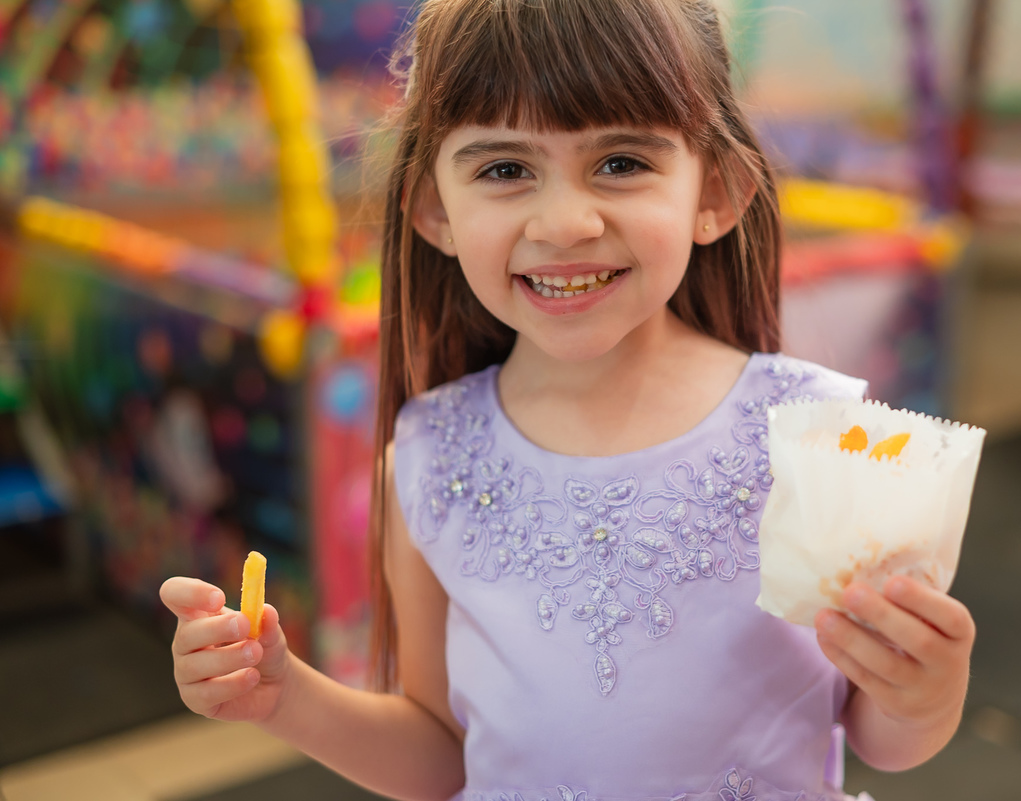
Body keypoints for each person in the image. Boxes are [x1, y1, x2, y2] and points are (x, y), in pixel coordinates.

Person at [160, 1, 975, 799]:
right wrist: (284, 697)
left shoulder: (820, 438)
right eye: (505, 169)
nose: (565, 222)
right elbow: (443, 756)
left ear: (716, 191)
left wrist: (923, 694)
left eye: (621, 162)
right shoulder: (427, 458)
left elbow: (876, 731)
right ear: (436, 210)